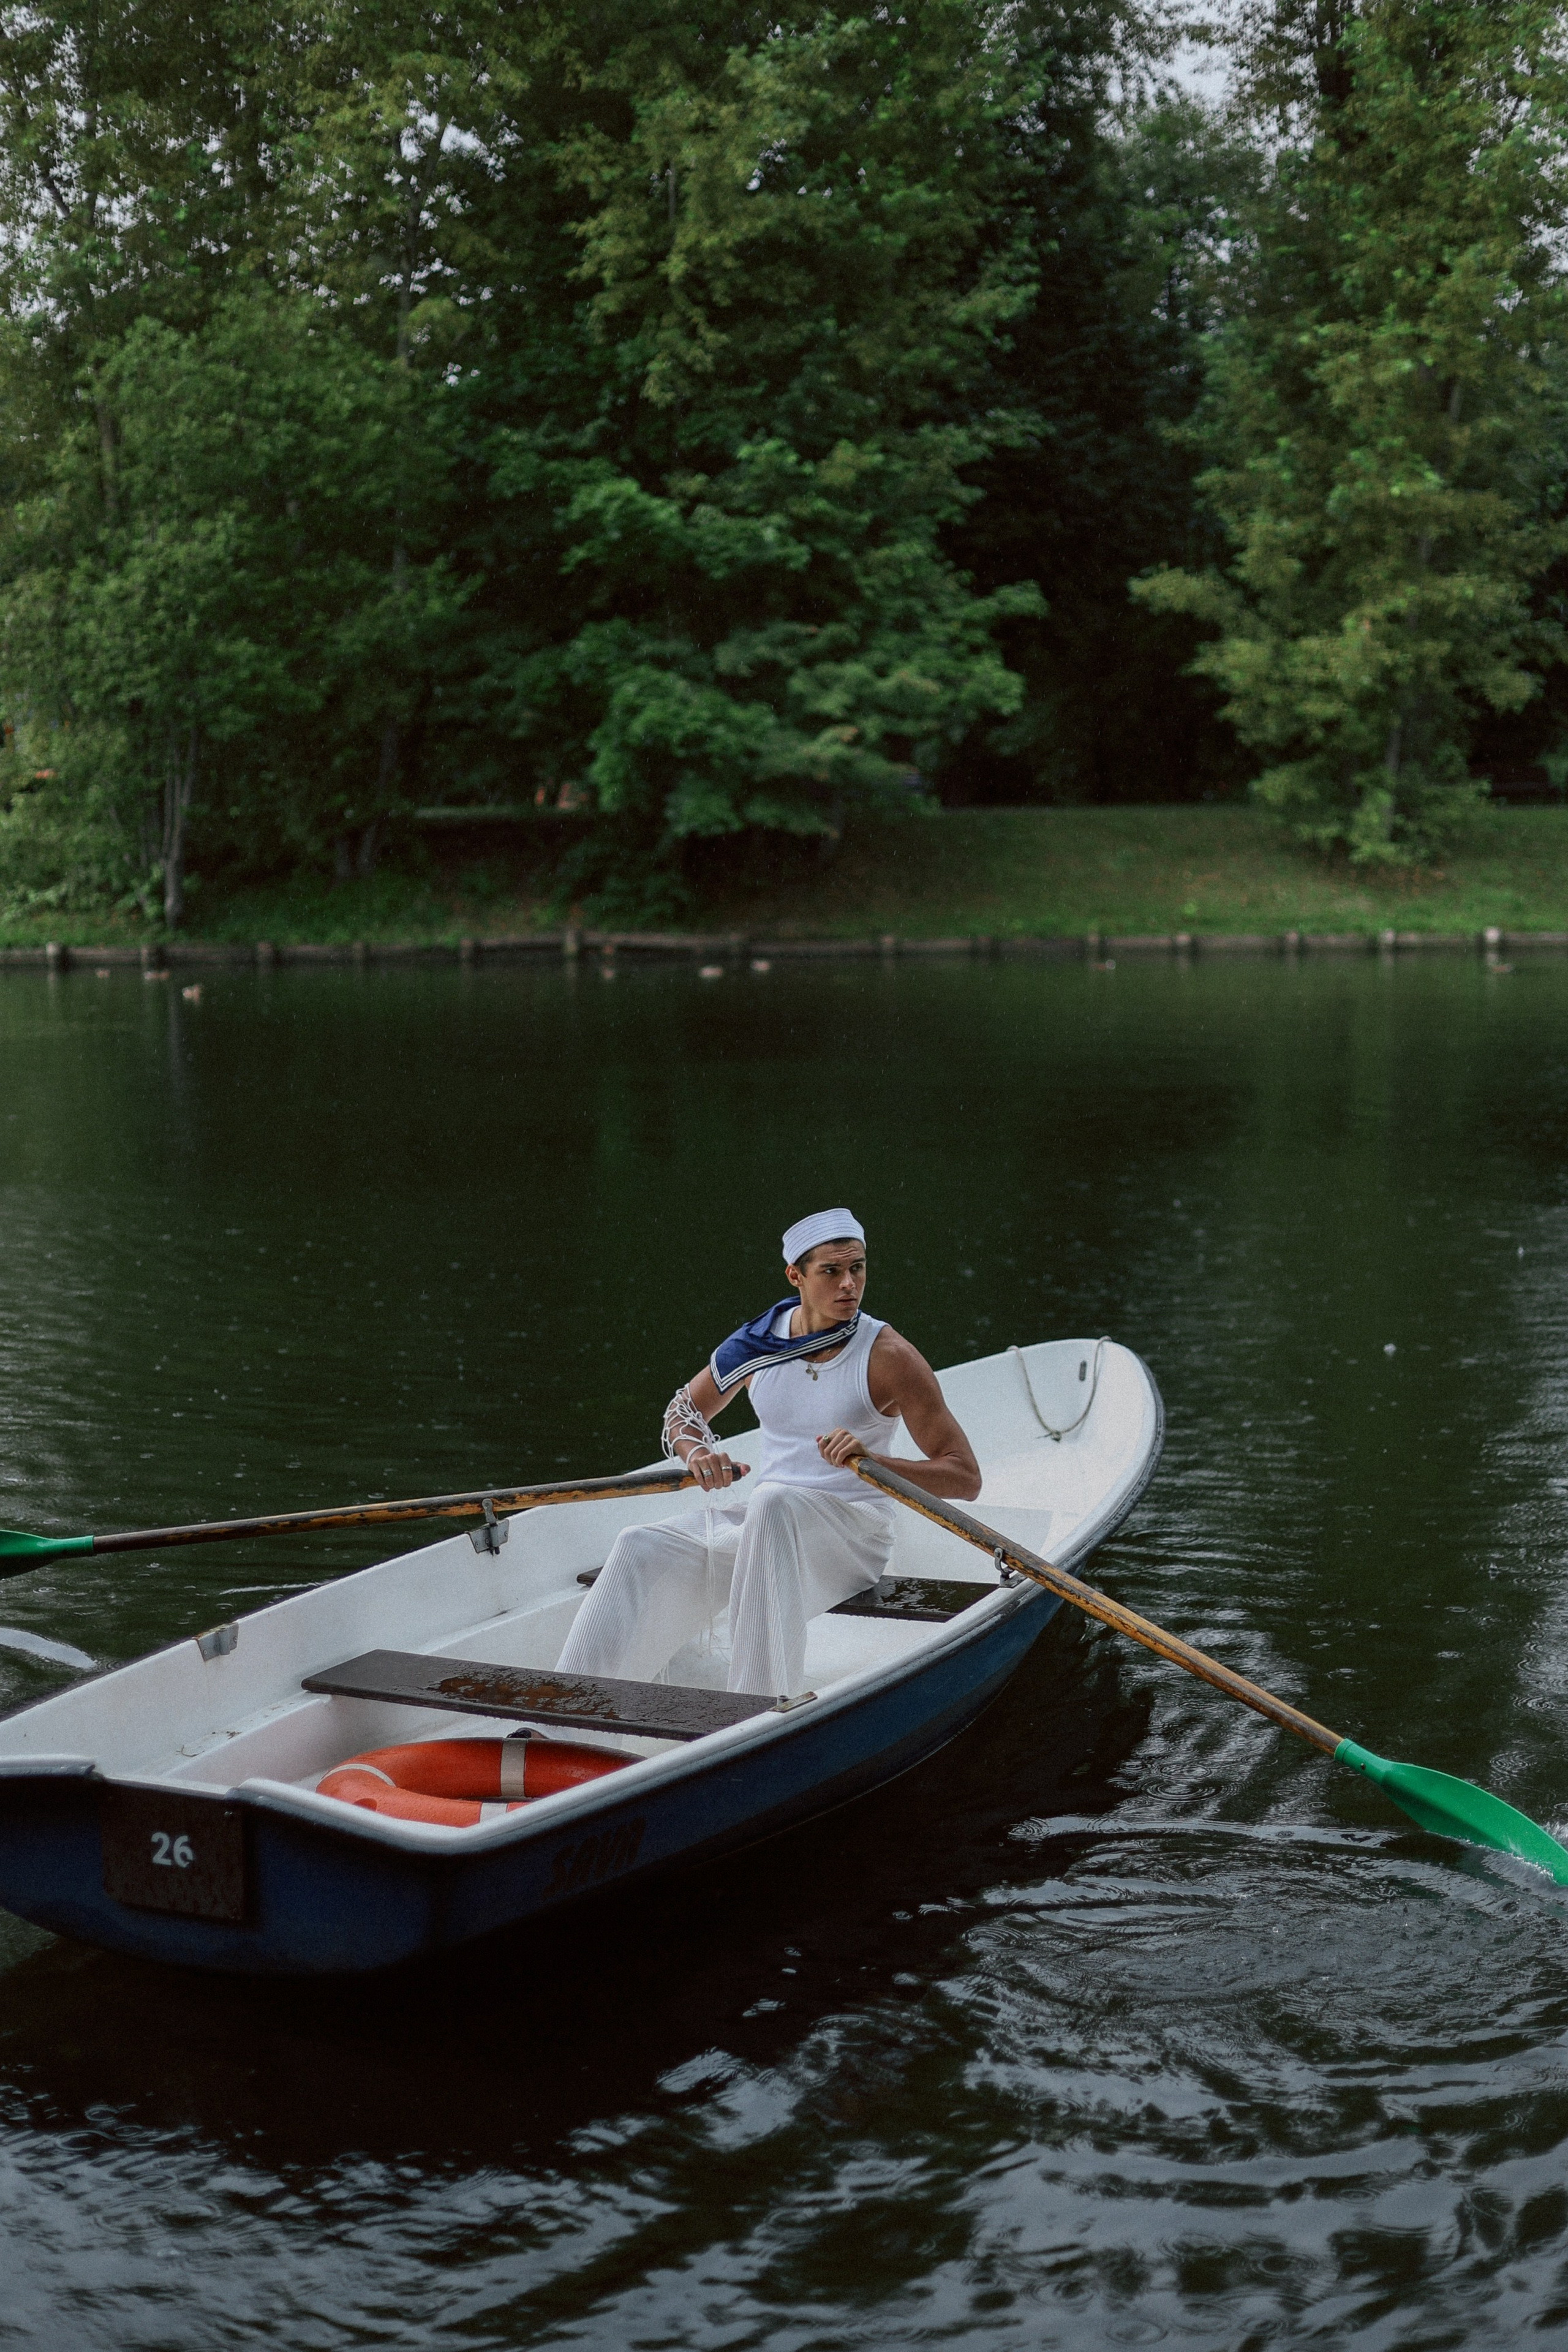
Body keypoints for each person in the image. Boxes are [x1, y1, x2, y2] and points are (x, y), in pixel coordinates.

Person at [556, 1208, 981, 1698]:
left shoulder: (889, 1357)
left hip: (855, 1531)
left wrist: (875, 1462)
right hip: (767, 1524)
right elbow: (683, 1411)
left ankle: (755, 1709)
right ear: (795, 1276)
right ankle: (566, 1711)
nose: (849, 1284)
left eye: (858, 1268)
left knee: (773, 1502)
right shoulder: (759, 1343)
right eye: (831, 1271)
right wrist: (697, 1453)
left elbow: (964, 1477)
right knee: (638, 1544)